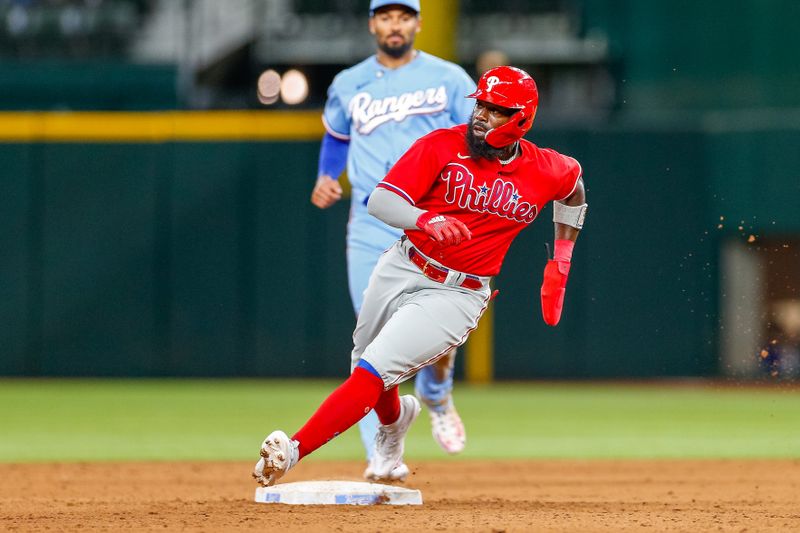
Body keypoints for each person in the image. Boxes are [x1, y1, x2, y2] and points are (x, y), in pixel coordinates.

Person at [254, 65, 588, 487]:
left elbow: (574, 186)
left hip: (457, 294)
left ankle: (293, 451)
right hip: (403, 263)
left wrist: (561, 260)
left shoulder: (545, 168)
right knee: (365, 364)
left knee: (371, 372)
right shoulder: (442, 145)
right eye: (481, 104)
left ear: (522, 118)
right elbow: (380, 201)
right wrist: (423, 218)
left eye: (497, 109)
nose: (482, 114)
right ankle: (394, 429)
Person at [310, 0, 477, 479]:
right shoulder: (349, 82)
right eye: (386, 16)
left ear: (418, 23)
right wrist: (327, 174)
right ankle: (380, 454)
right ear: (372, 24)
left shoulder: (449, 79)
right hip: (370, 223)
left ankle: (436, 393)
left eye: (404, 16)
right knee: (373, 344)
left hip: (435, 221)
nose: (395, 24)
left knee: (439, 340)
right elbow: (337, 136)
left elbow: (476, 138)